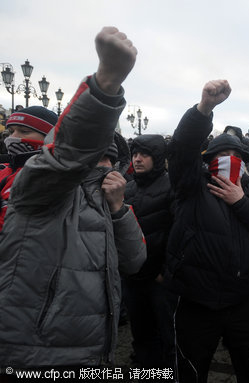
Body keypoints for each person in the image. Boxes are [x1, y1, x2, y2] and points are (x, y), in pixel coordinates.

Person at [0, 26, 146, 367]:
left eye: (109, 158)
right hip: (34, 356)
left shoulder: (111, 197)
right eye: (95, 156)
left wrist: (119, 210)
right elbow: (66, 156)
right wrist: (105, 86)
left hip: (95, 351)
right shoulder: (39, 187)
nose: (101, 165)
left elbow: (135, 261)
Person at [164, 79, 249, 382]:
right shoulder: (192, 185)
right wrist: (204, 109)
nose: (229, 160)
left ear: (245, 163)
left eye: (236, 156)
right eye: (221, 155)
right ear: (207, 161)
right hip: (195, 300)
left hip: (241, 299)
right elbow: (181, 149)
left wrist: (242, 201)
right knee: (191, 371)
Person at [123, 134, 175, 367]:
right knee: (141, 335)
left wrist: (166, 271)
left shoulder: (171, 185)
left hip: (159, 279)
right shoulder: (128, 188)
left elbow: (179, 233)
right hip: (134, 277)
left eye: (144, 154)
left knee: (167, 337)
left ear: (157, 157)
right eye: (135, 154)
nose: (138, 159)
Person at [0, 106, 58, 231]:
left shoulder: (53, 177)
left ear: (49, 138)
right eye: (11, 131)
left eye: (24, 131)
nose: (13, 137)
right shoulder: (3, 169)